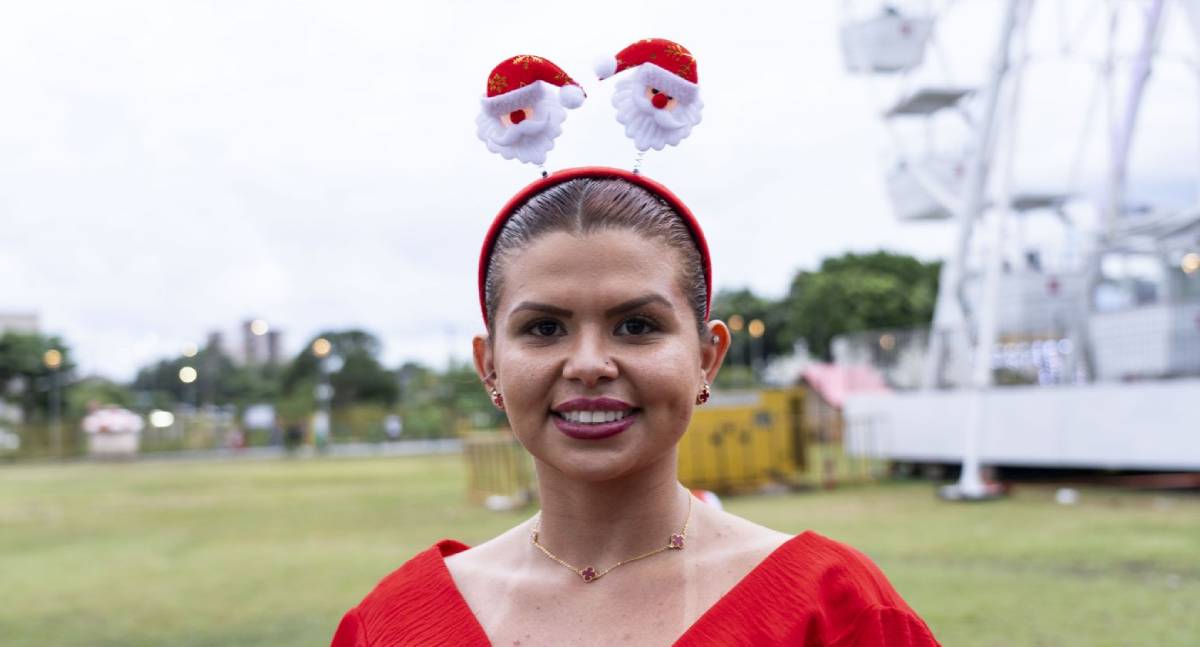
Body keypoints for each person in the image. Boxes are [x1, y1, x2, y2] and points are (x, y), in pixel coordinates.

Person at [333, 40, 938, 646]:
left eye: (637, 326)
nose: (590, 364)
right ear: (489, 367)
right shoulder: (390, 626)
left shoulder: (837, 610)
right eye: (544, 329)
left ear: (707, 357)